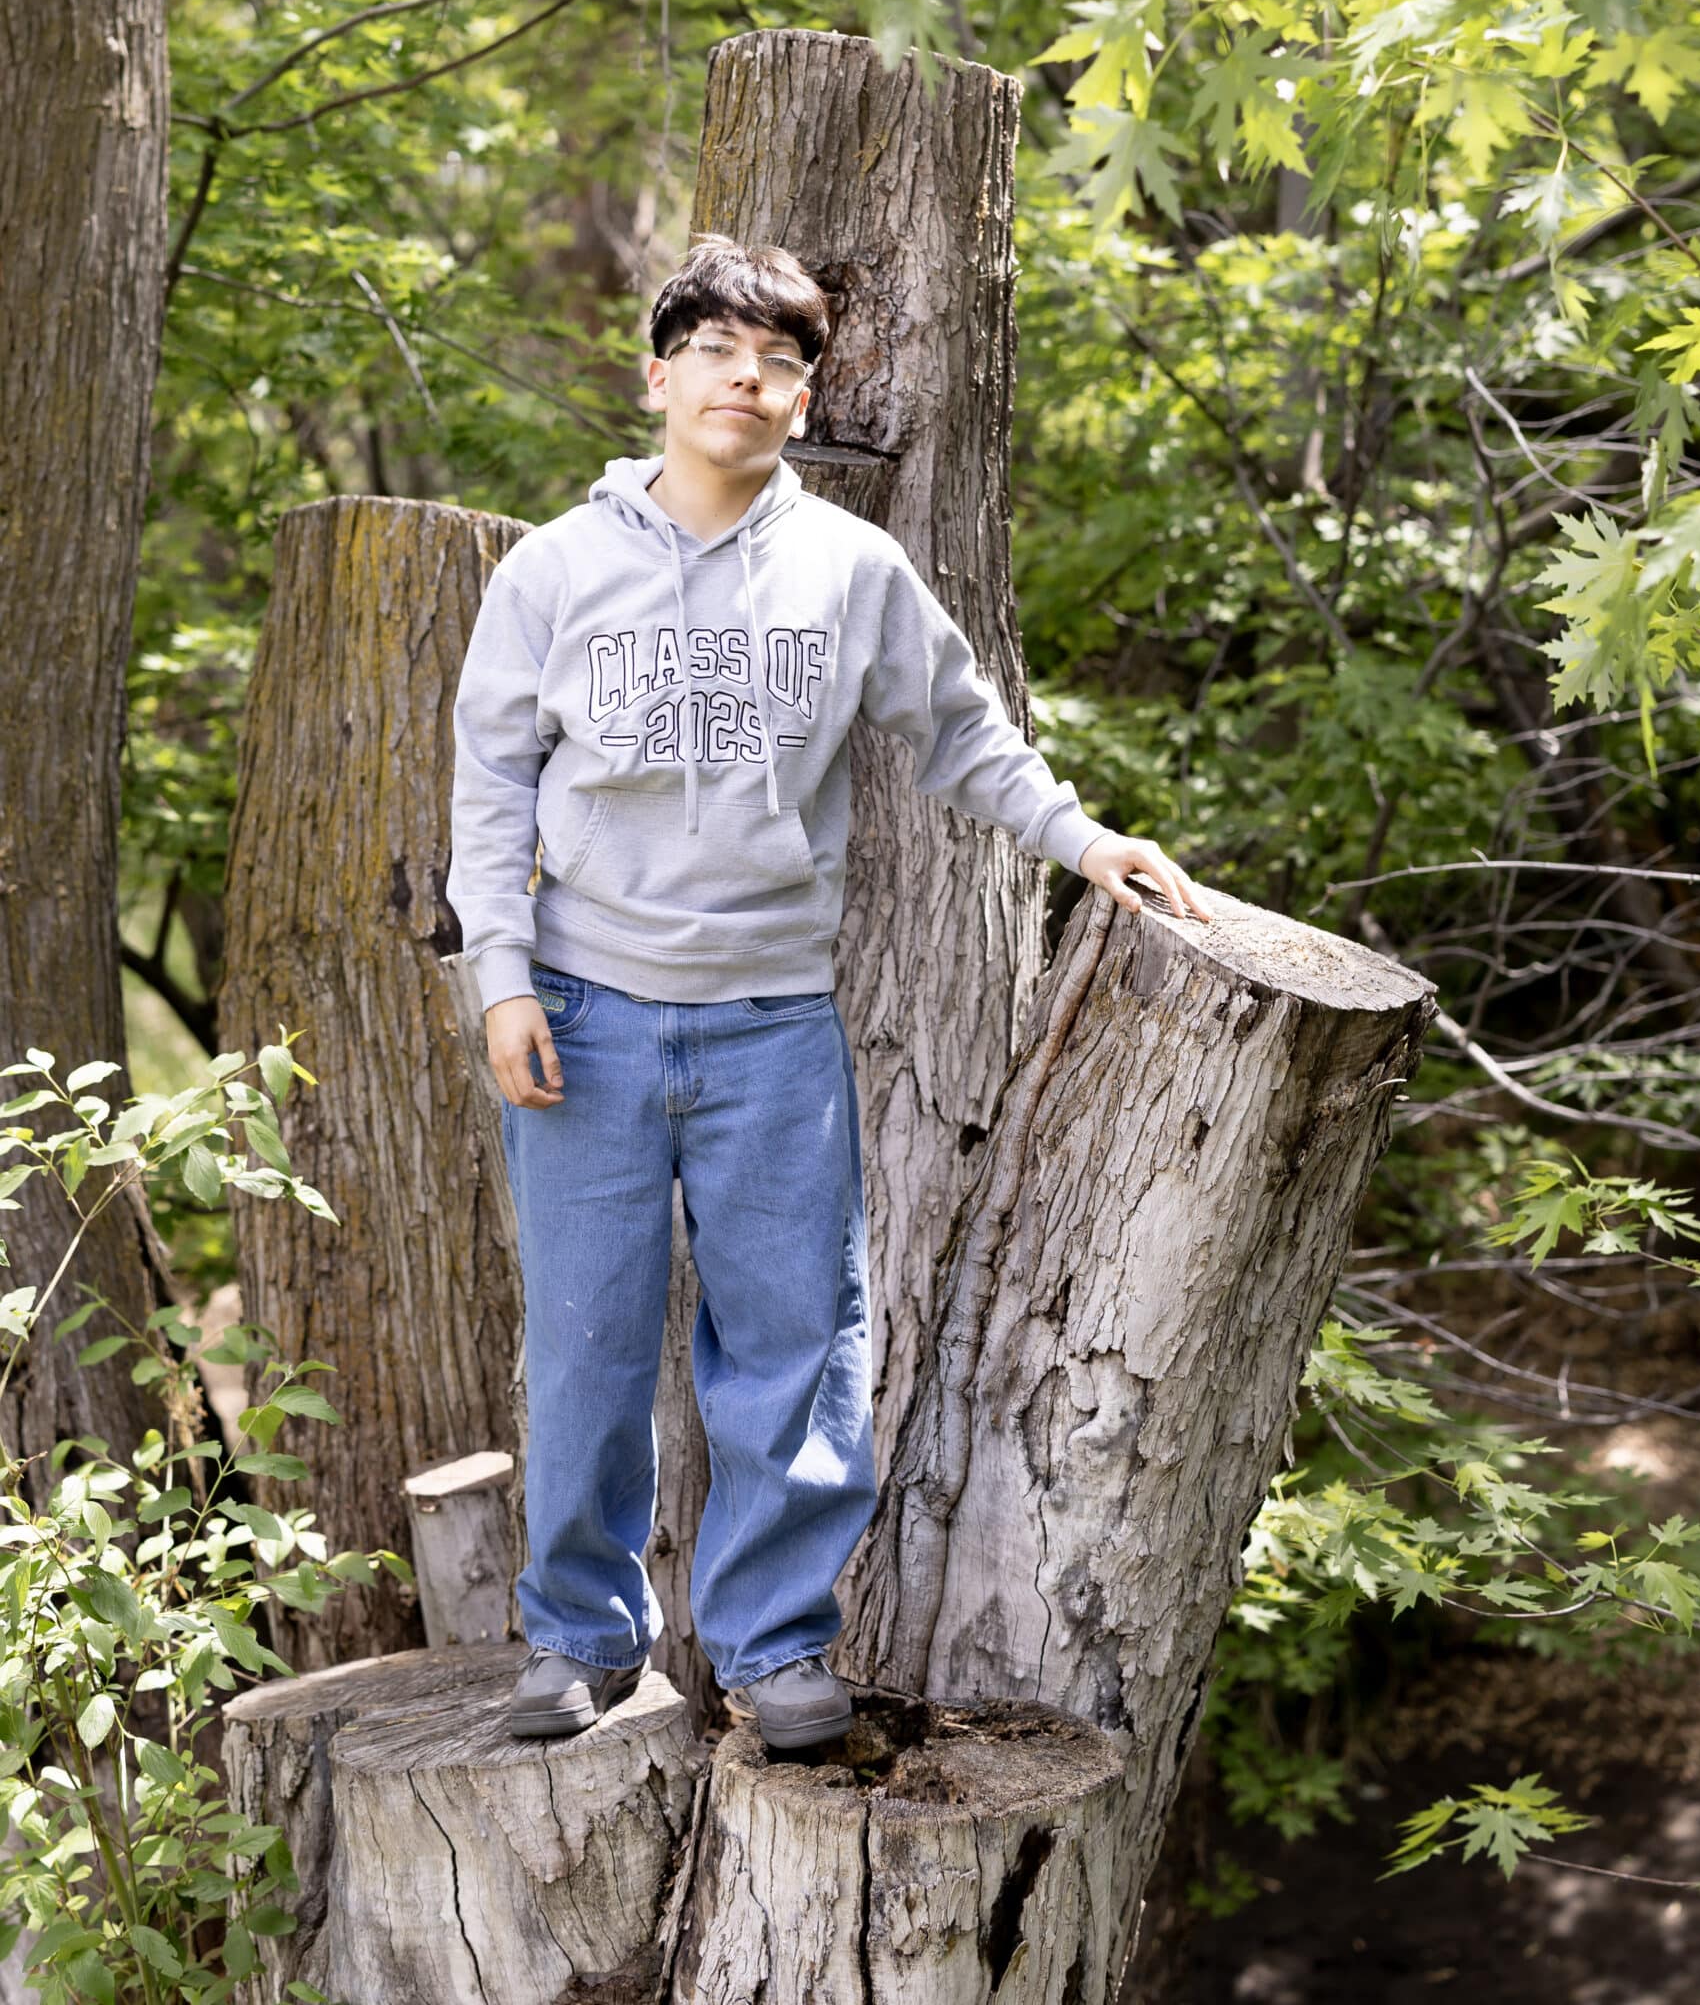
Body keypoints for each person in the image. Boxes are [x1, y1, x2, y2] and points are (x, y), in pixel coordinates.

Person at [447, 234, 1213, 1754]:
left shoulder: (852, 572)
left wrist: (1084, 839)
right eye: (716, 352)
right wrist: (501, 978)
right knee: (588, 1348)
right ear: (658, 377)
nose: (747, 380)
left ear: (804, 397)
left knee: (795, 1349)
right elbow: (489, 788)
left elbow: (964, 736)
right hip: (585, 1019)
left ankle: (776, 1646)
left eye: (780, 361)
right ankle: (578, 1637)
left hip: (774, 1029)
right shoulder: (554, 569)